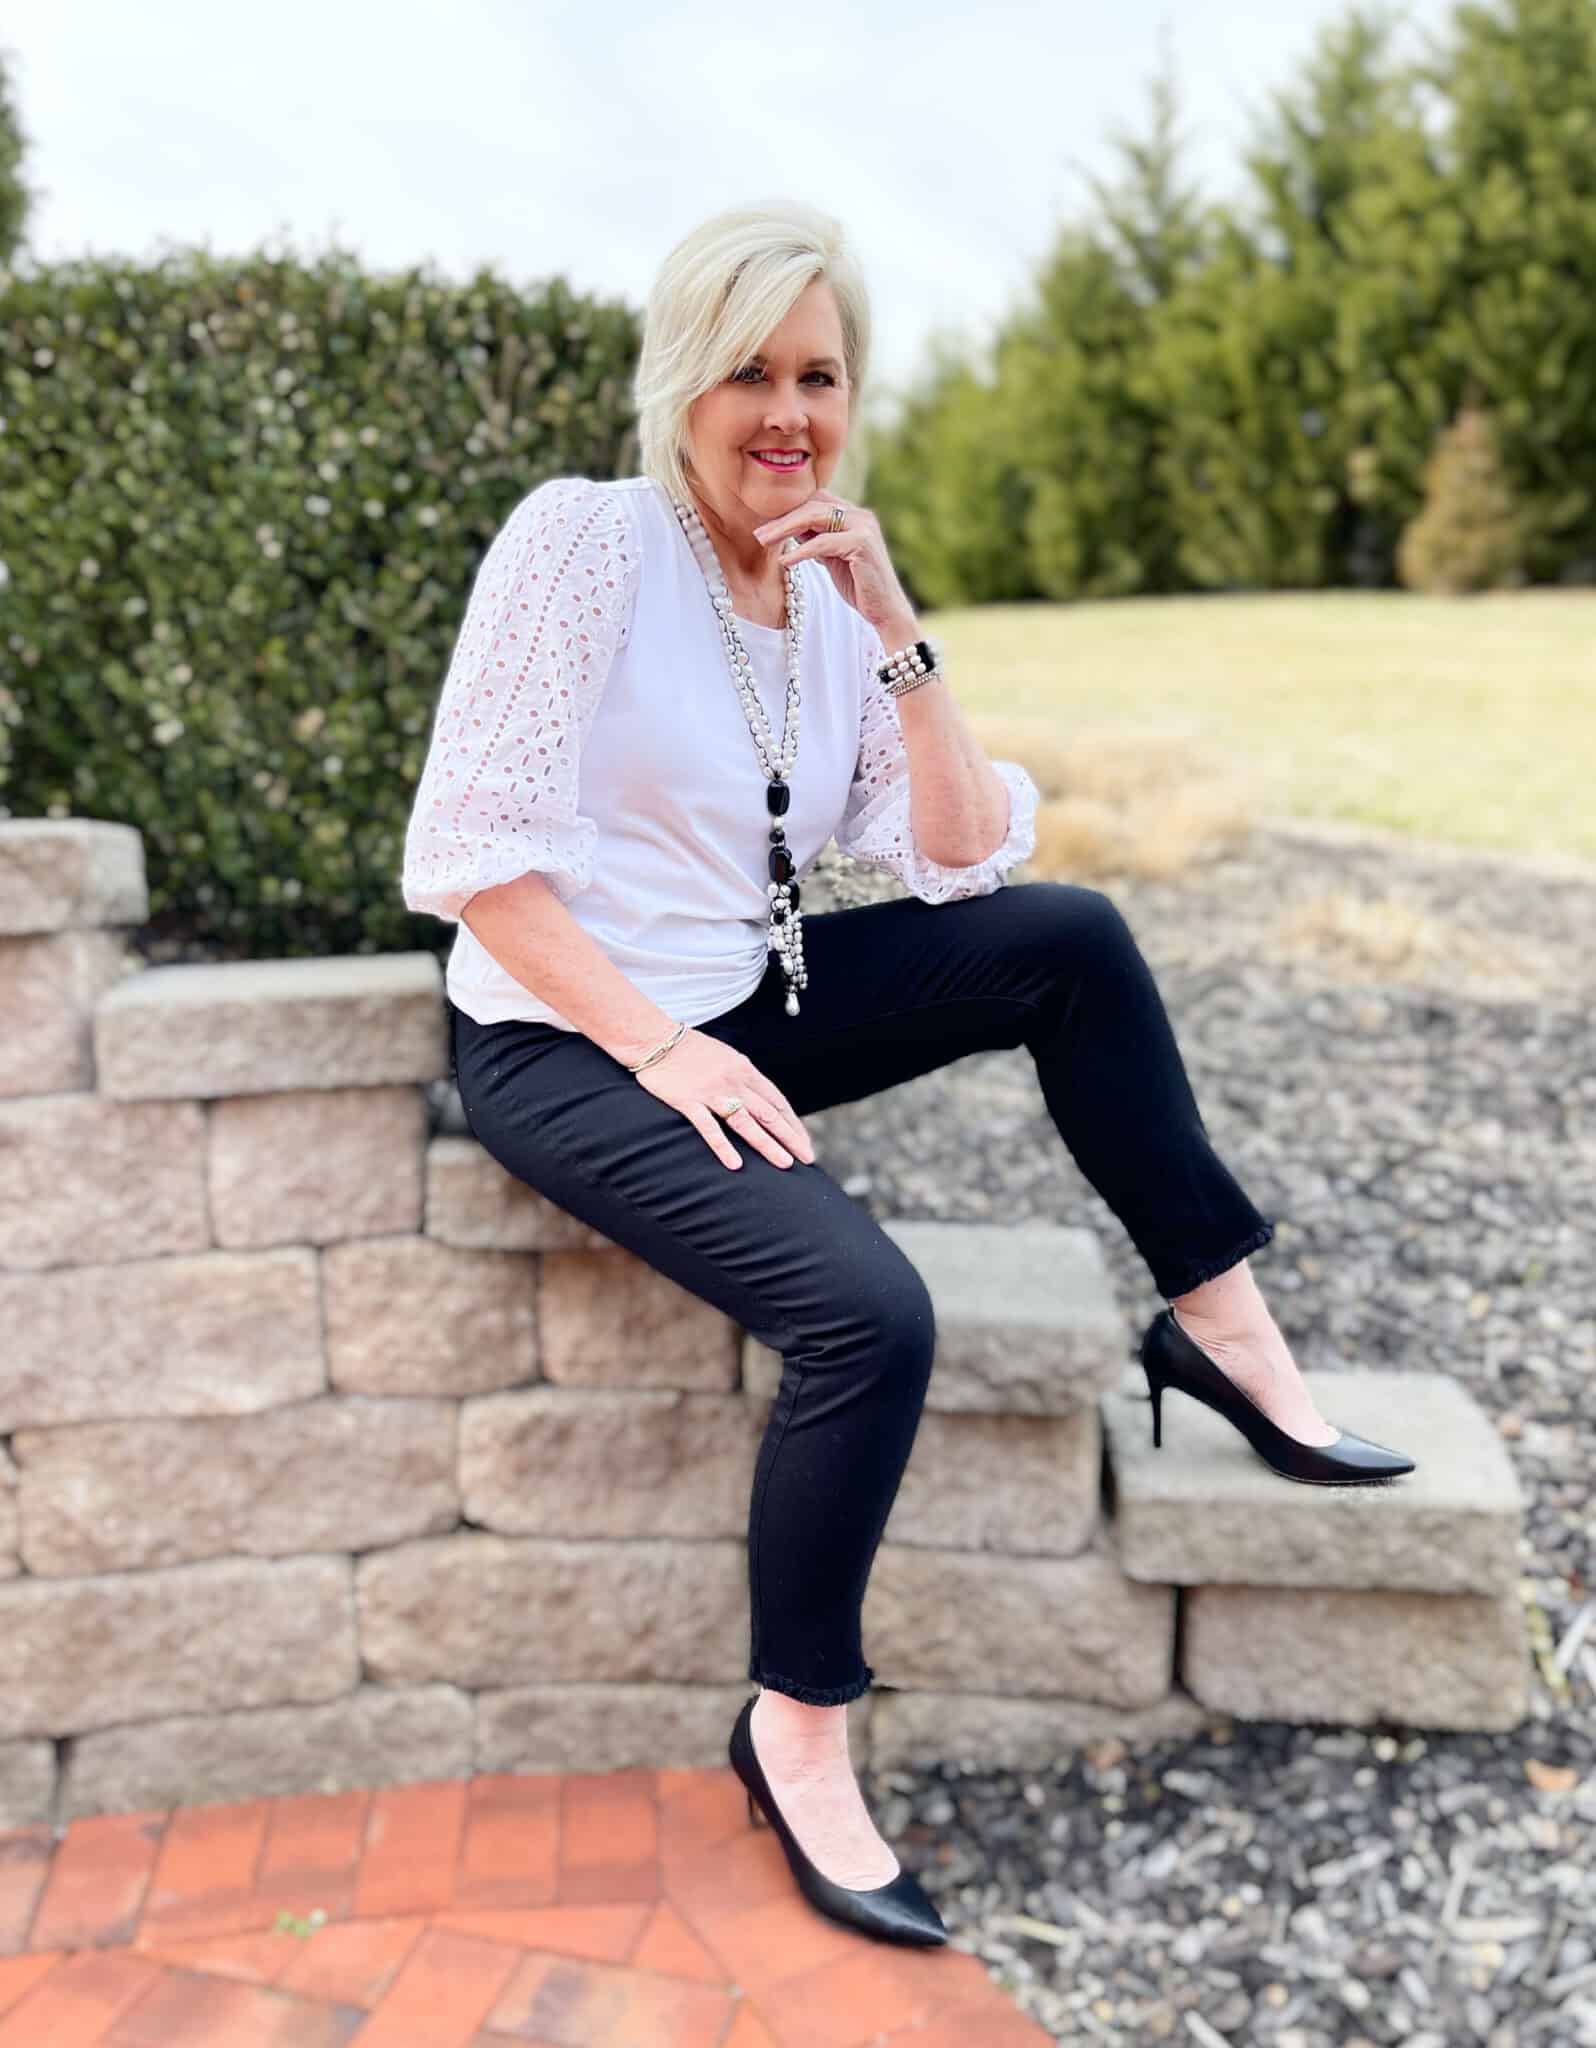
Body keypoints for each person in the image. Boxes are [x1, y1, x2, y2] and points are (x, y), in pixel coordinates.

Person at [400, 198, 1414, 1948]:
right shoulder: (582, 546)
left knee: (1069, 935)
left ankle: (1224, 1326)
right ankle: (794, 1732)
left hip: (740, 993)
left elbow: (952, 853)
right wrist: (658, 1048)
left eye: (822, 374)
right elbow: (476, 857)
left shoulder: (813, 588)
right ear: (678, 380)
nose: (788, 412)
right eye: (749, 372)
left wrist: (892, 621)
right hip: (566, 1035)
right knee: (872, 1316)